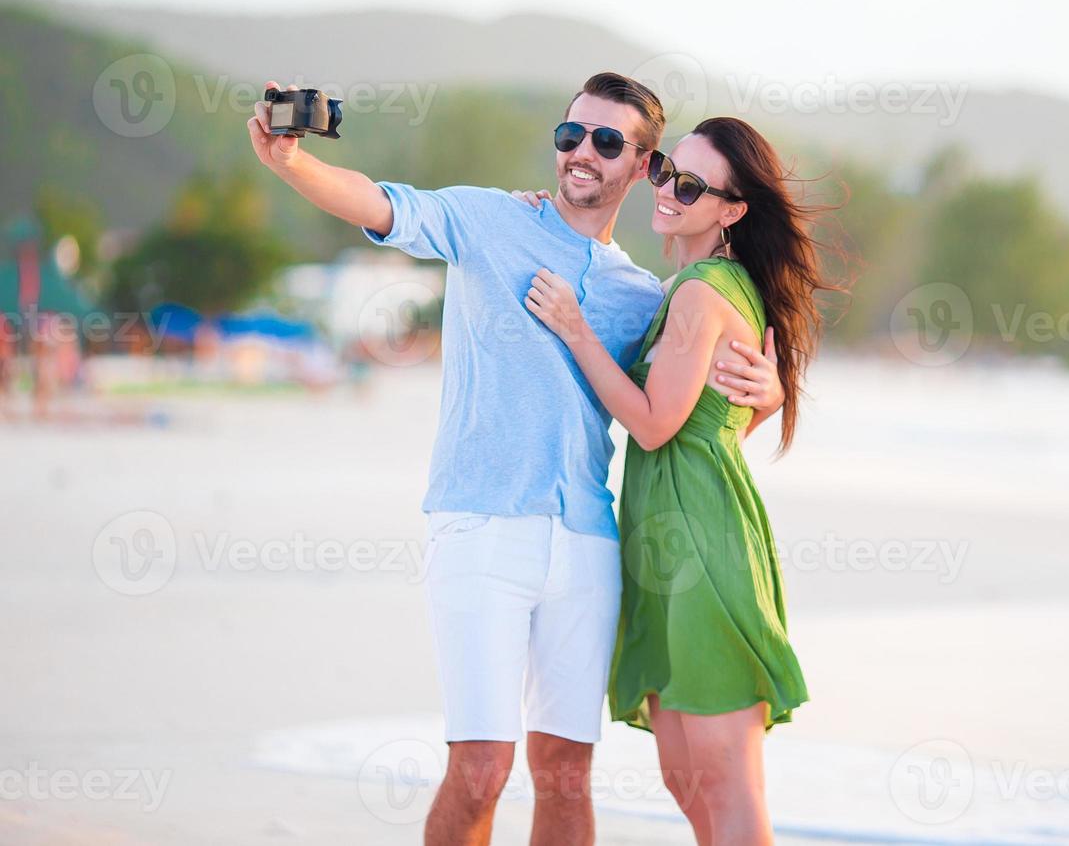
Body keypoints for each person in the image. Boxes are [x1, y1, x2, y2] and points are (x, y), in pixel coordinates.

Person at [245, 73, 786, 846]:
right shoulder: (488, 219)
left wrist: (765, 394)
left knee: (566, 776)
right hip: (480, 526)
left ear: (642, 165)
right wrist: (290, 163)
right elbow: (381, 203)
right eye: (571, 135)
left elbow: (693, 409)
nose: (581, 154)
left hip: (589, 542)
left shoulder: (646, 295)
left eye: (606, 142)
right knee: (481, 769)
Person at [523, 116, 836, 846]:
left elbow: (658, 424)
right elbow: (724, 419)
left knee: (723, 783)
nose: (666, 190)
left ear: (730, 210)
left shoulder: (702, 289)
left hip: (700, 540)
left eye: (690, 186)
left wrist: (575, 329)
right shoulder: (698, 287)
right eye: (665, 171)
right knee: (688, 778)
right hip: (665, 541)